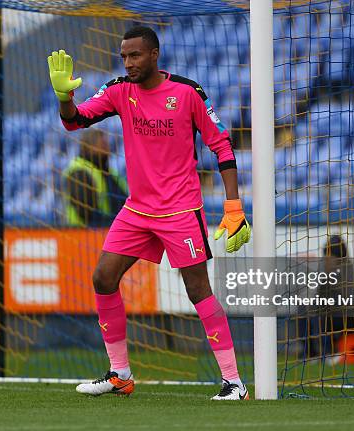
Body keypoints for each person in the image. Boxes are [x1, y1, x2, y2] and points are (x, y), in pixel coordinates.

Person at [47, 26, 251, 400]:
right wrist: (64, 97)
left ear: (154, 55)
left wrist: (233, 204)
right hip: (137, 209)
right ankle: (120, 374)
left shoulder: (188, 92)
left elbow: (222, 146)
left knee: (198, 291)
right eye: (124, 56)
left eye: (135, 55)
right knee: (103, 278)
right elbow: (75, 121)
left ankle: (233, 381)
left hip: (180, 210)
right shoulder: (119, 90)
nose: (128, 62)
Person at [62, 129, 127, 226]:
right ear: (89, 147)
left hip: (110, 230)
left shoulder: (111, 172)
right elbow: (85, 213)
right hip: (83, 233)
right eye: (103, 144)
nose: (107, 148)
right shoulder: (79, 171)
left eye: (107, 144)